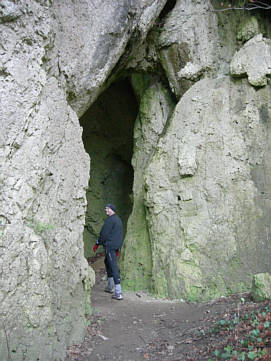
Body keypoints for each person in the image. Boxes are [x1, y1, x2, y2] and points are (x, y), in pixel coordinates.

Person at [93, 204, 124, 300]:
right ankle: (110, 286)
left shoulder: (110, 220)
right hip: (115, 246)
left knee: (113, 265)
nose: (106, 210)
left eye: (107, 209)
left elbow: (104, 233)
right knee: (108, 262)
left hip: (110, 246)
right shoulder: (118, 220)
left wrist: (98, 242)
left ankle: (118, 292)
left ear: (112, 210)